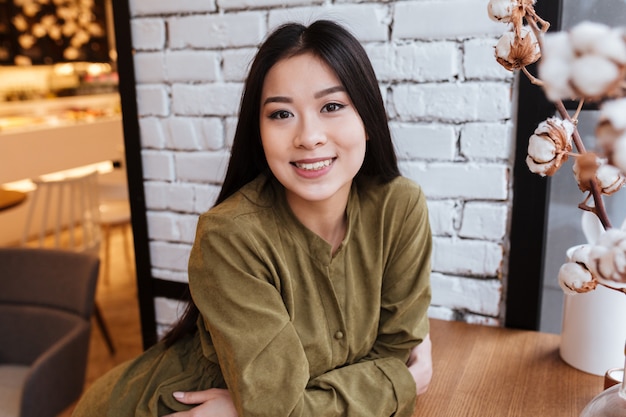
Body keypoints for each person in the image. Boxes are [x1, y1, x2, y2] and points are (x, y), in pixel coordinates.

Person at [73, 19, 433, 417]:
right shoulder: (229, 236)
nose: (308, 136)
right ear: (258, 133)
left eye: (332, 106)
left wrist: (254, 409)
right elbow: (287, 408)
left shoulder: (400, 207)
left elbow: (395, 350)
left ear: (367, 119)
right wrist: (405, 384)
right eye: (281, 114)